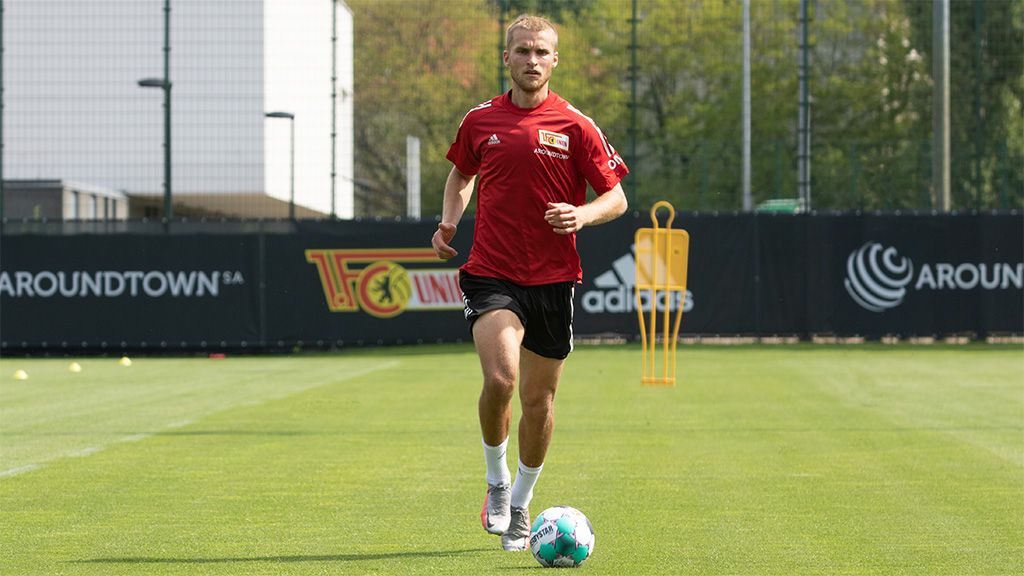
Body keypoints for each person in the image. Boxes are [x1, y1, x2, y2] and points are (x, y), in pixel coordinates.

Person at [431, 14, 629, 551]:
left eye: (541, 52)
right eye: (522, 52)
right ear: (507, 58)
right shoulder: (479, 121)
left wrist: (583, 215)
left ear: (554, 60)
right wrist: (450, 220)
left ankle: (521, 504)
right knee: (502, 380)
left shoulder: (575, 124)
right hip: (491, 270)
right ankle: (495, 484)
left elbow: (617, 195)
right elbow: (461, 173)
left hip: (553, 280)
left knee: (539, 402)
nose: (532, 60)